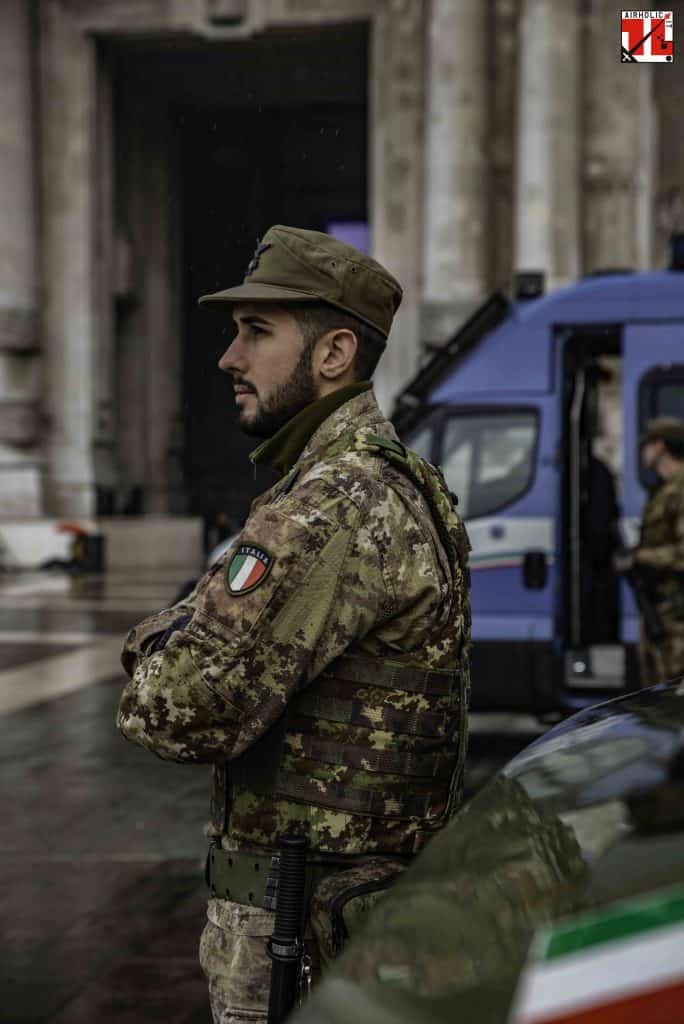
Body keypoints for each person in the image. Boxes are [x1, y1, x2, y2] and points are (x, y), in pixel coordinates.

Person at [116, 225, 471, 1023]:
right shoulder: (387, 479)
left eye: (257, 333)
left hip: (302, 941)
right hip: (337, 919)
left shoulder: (330, 503)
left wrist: (158, 639)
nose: (229, 359)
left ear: (334, 354)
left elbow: (175, 711)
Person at [616, 416, 684, 687]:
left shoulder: (680, 490)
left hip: (677, 619)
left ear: (660, 447)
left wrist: (638, 558)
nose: (642, 451)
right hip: (662, 615)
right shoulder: (664, 490)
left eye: (647, 444)